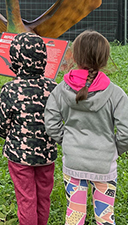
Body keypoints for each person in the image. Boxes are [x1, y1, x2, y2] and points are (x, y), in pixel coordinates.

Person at [45, 30, 128, 225]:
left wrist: (65, 141)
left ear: (75, 56)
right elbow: (126, 130)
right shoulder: (116, 94)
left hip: (73, 163)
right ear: (104, 58)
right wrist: (116, 149)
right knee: (105, 217)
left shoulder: (60, 90)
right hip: (104, 164)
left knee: (74, 217)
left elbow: (50, 121)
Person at [0, 32, 57, 225]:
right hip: (46, 155)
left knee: (26, 199)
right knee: (43, 198)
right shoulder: (54, 88)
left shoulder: (10, 89)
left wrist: (8, 134)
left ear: (15, 60)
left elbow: (1, 125)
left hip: (19, 157)